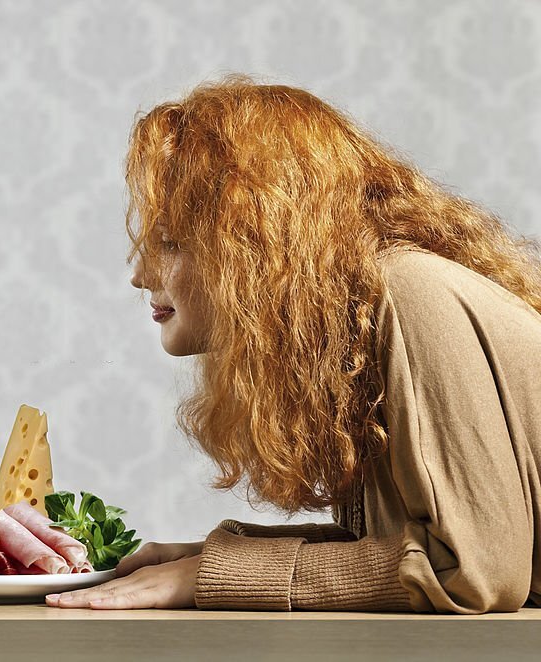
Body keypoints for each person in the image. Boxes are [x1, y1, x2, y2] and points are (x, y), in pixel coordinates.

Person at [46, 76, 541, 613]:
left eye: (169, 242)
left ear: (256, 244)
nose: (140, 275)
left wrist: (217, 575)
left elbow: (474, 569)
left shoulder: (412, 292)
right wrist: (212, 558)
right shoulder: (362, 323)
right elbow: (422, 543)